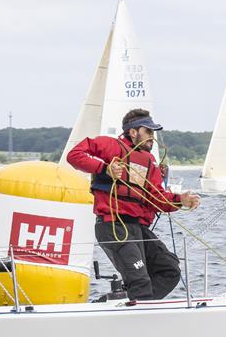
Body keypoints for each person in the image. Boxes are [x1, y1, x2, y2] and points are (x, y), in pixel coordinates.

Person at [66, 108, 200, 301]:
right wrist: (105, 169)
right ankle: (134, 306)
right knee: (140, 282)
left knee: (170, 270)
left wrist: (180, 200)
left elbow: (157, 198)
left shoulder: (150, 162)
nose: (152, 137)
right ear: (134, 132)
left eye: (153, 133)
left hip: (138, 228)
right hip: (113, 226)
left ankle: (125, 302)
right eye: (149, 132)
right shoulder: (111, 146)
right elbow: (75, 155)